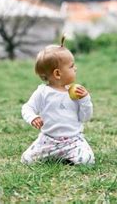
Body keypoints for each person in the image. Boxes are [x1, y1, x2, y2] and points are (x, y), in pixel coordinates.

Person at [21, 36, 95, 165]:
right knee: (26, 160)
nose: (75, 68)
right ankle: (55, 155)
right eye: (71, 66)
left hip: (73, 140)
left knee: (87, 161)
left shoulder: (76, 93)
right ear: (57, 74)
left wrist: (85, 100)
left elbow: (85, 117)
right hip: (48, 140)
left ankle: (66, 156)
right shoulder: (43, 92)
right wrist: (32, 117)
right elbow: (27, 108)